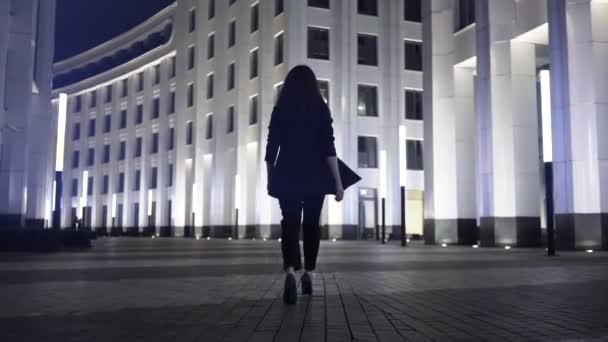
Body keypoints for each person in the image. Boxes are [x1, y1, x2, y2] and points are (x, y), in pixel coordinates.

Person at [265, 65, 344, 305]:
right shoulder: (320, 109)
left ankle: (290, 271)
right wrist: (338, 183)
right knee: (311, 225)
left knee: (289, 224)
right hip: (314, 177)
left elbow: (271, 149)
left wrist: (271, 178)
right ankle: (308, 272)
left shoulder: (281, 109)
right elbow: (328, 149)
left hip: (287, 175)